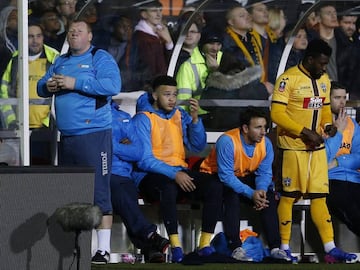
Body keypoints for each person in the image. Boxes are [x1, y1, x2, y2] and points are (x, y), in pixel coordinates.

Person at [37, 19, 121, 264]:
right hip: (68, 137)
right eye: (71, 32)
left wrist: (76, 83)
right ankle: (77, 247)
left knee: (99, 192)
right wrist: (49, 85)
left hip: (94, 134)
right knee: (73, 192)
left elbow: (112, 86)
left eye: (79, 31)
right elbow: (41, 86)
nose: (73, 34)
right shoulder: (61, 61)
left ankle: (103, 250)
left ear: (90, 36)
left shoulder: (100, 58)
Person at [271, 38, 358, 263]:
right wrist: (304, 132)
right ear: (309, 59)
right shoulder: (287, 79)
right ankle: (283, 247)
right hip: (293, 149)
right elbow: (277, 115)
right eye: (320, 63)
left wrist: (327, 125)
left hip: (317, 149)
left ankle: (330, 247)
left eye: (326, 64)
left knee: (320, 197)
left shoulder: (324, 80)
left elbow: (325, 108)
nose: (323, 68)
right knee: (289, 197)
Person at [131, 75, 223, 263]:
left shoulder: (180, 115)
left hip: (179, 170)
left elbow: (197, 146)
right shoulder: (142, 119)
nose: (172, 99)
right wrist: (175, 174)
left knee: (215, 186)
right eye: (167, 94)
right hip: (151, 175)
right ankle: (175, 246)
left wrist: (196, 120)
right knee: (168, 188)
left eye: (174, 94)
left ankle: (204, 244)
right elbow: (144, 160)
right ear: (155, 96)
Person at [199, 107, 290, 262]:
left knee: (267, 196)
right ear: (245, 128)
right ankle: (235, 247)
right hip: (213, 177)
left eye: (264, 127)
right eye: (258, 127)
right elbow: (226, 176)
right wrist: (250, 193)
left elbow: (265, 173)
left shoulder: (266, 144)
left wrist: (260, 190)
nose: (263, 132)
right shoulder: (227, 141)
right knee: (231, 194)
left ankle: (275, 248)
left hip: (242, 176)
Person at [110, 101, 170, 262]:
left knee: (127, 198)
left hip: (123, 174)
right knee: (119, 192)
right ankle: (150, 236)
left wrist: (113, 147)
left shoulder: (123, 117)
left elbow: (137, 152)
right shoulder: (92, 116)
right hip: (102, 173)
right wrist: (122, 147)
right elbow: (99, 149)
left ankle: (149, 245)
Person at [0, 22, 59, 164]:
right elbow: (5, 93)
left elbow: (59, 93)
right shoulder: (16, 59)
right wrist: (11, 121)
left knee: (44, 173)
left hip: (45, 130)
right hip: (18, 129)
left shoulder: (54, 57)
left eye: (38, 36)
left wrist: (49, 121)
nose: (35, 40)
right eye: (30, 36)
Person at [325, 81, 360, 239]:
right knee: (352, 212)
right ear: (327, 98)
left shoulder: (352, 125)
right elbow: (323, 157)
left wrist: (339, 161)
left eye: (344, 98)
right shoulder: (319, 123)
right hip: (330, 180)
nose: (342, 102)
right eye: (337, 97)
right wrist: (337, 132)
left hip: (354, 177)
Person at [176, 27, 223, 116]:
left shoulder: (226, 60)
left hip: (224, 114)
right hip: (198, 117)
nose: (215, 48)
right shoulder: (188, 66)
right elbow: (182, 101)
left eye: (218, 44)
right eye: (211, 43)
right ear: (202, 44)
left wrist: (216, 71)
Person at [130, 0, 174, 91]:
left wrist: (168, 41)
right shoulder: (142, 38)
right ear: (144, 14)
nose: (158, 14)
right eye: (154, 11)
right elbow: (147, 67)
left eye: (160, 10)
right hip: (149, 88)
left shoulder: (161, 34)